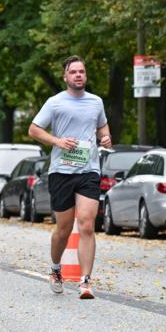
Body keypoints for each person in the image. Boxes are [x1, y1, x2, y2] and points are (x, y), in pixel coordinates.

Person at [27, 55, 112, 299]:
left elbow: (103, 128)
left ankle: (85, 281)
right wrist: (58, 142)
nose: (78, 75)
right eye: (73, 72)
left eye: (81, 72)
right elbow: (33, 129)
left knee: (86, 223)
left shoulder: (96, 102)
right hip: (61, 171)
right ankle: (55, 269)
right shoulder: (55, 103)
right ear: (65, 77)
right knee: (63, 229)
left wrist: (105, 138)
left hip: (88, 170)